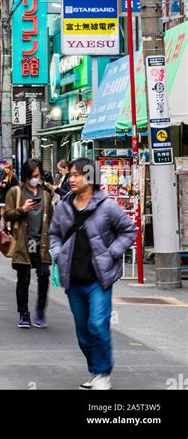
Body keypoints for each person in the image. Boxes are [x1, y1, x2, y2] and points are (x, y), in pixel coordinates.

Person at [49, 158, 137, 391]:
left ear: (91, 177)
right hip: (73, 278)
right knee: (83, 332)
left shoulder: (107, 206)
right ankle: (95, 371)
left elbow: (129, 230)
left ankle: (103, 373)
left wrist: (111, 254)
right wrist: (58, 254)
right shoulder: (64, 206)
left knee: (97, 324)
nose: (72, 179)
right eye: (70, 175)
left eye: (77, 175)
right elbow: (54, 234)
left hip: (98, 279)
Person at [4, 158, 53, 329]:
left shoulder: (45, 195)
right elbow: (7, 215)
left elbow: (51, 218)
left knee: (44, 276)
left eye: (38, 175)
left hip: (42, 244)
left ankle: (40, 310)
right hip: (23, 242)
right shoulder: (15, 192)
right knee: (23, 278)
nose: (37, 179)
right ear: (26, 176)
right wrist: (22, 210)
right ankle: (23, 313)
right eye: (33, 176)